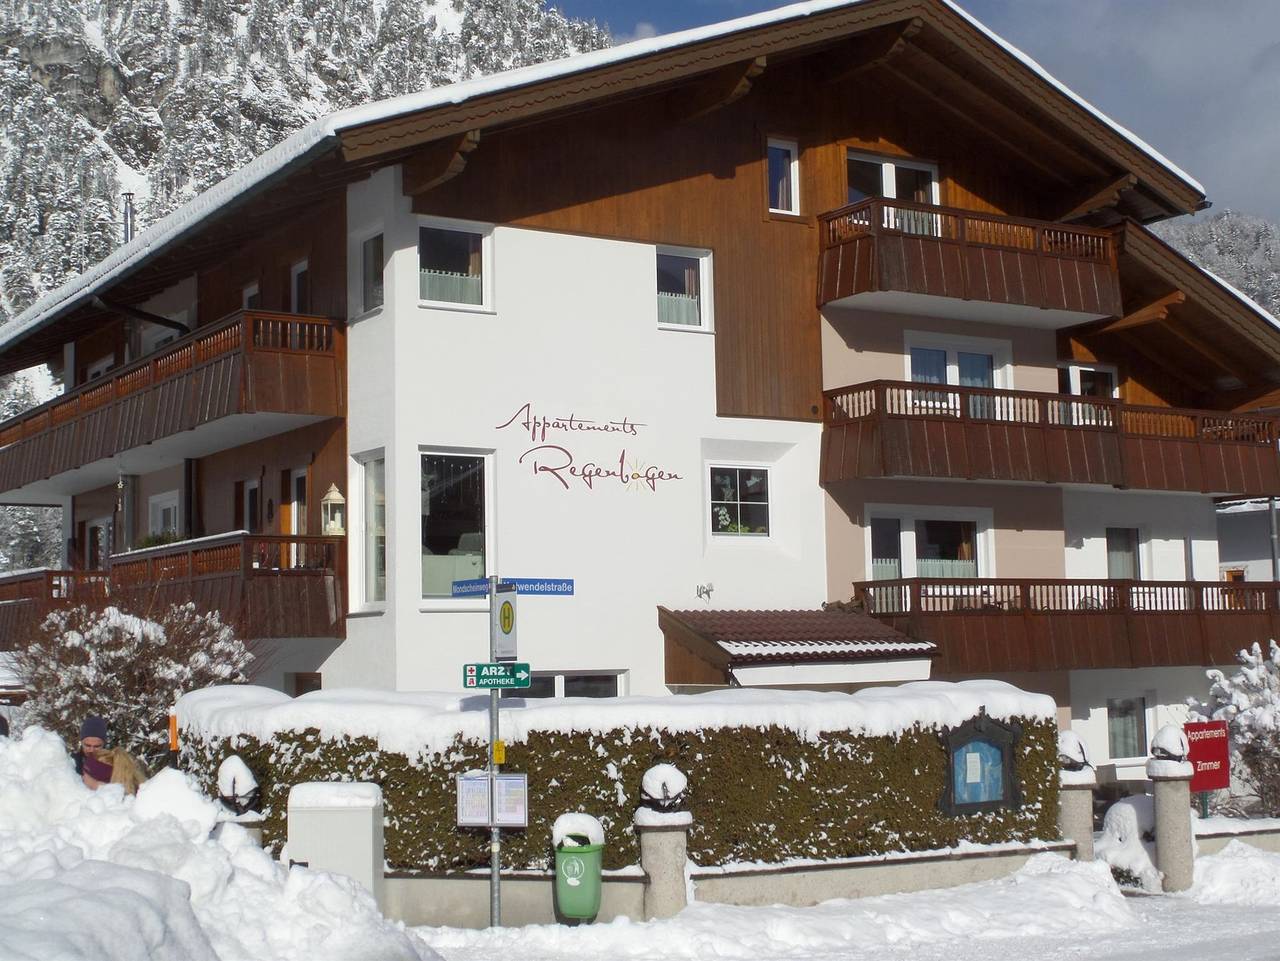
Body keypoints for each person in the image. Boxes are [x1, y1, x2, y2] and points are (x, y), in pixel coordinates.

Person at [73, 716, 109, 788]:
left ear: (103, 744)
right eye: (87, 745)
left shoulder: (113, 763)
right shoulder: (71, 762)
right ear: (81, 742)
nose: (92, 750)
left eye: (97, 746)